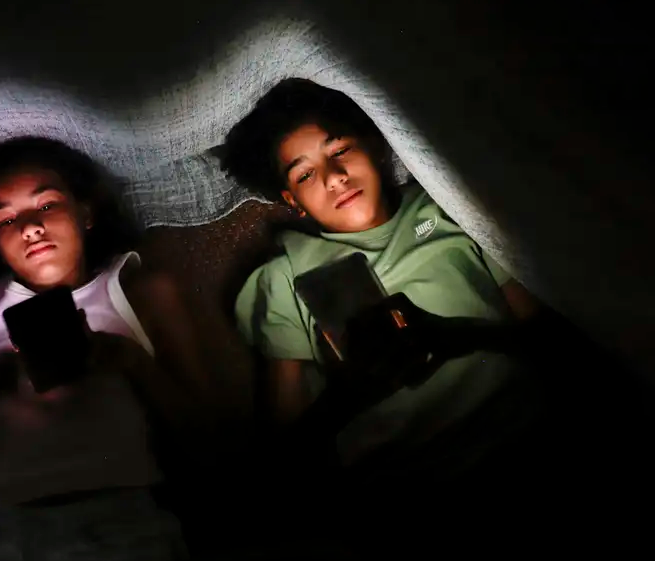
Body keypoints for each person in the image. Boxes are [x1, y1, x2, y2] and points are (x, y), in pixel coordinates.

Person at [0, 136, 214, 561]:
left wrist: (131, 364)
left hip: (118, 536)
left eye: (46, 205)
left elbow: (211, 437)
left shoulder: (137, 291)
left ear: (86, 213)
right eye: (6, 219)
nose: (30, 227)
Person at [221, 78, 542, 466]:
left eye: (340, 150)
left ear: (373, 146)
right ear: (293, 201)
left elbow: (547, 338)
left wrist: (458, 337)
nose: (334, 176)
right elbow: (286, 454)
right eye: (304, 175)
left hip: (523, 430)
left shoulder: (446, 206)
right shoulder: (285, 277)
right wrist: (349, 396)